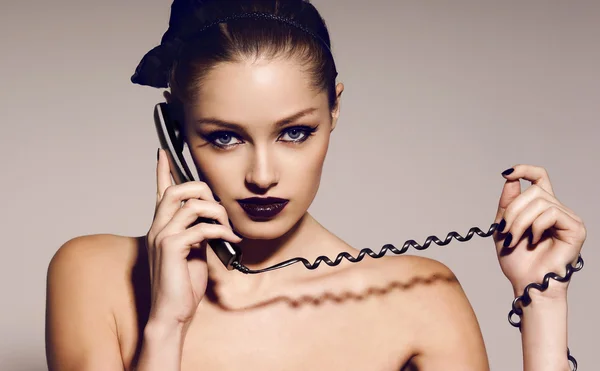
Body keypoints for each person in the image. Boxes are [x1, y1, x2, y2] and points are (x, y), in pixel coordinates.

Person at [45, 1, 587, 370]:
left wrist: (544, 303)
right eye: (225, 138)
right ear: (176, 133)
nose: (262, 176)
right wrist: (166, 325)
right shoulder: (94, 275)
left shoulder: (420, 296)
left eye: (295, 132)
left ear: (335, 111)